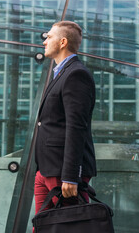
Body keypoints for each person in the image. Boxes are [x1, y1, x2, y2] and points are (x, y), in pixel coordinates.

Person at [34, 21, 97, 214]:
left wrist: (70, 177)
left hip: (63, 173)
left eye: (49, 37)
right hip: (46, 169)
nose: (45, 42)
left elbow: (76, 127)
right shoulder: (61, 73)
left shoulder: (76, 74)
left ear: (62, 42)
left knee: (69, 225)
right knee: (42, 226)